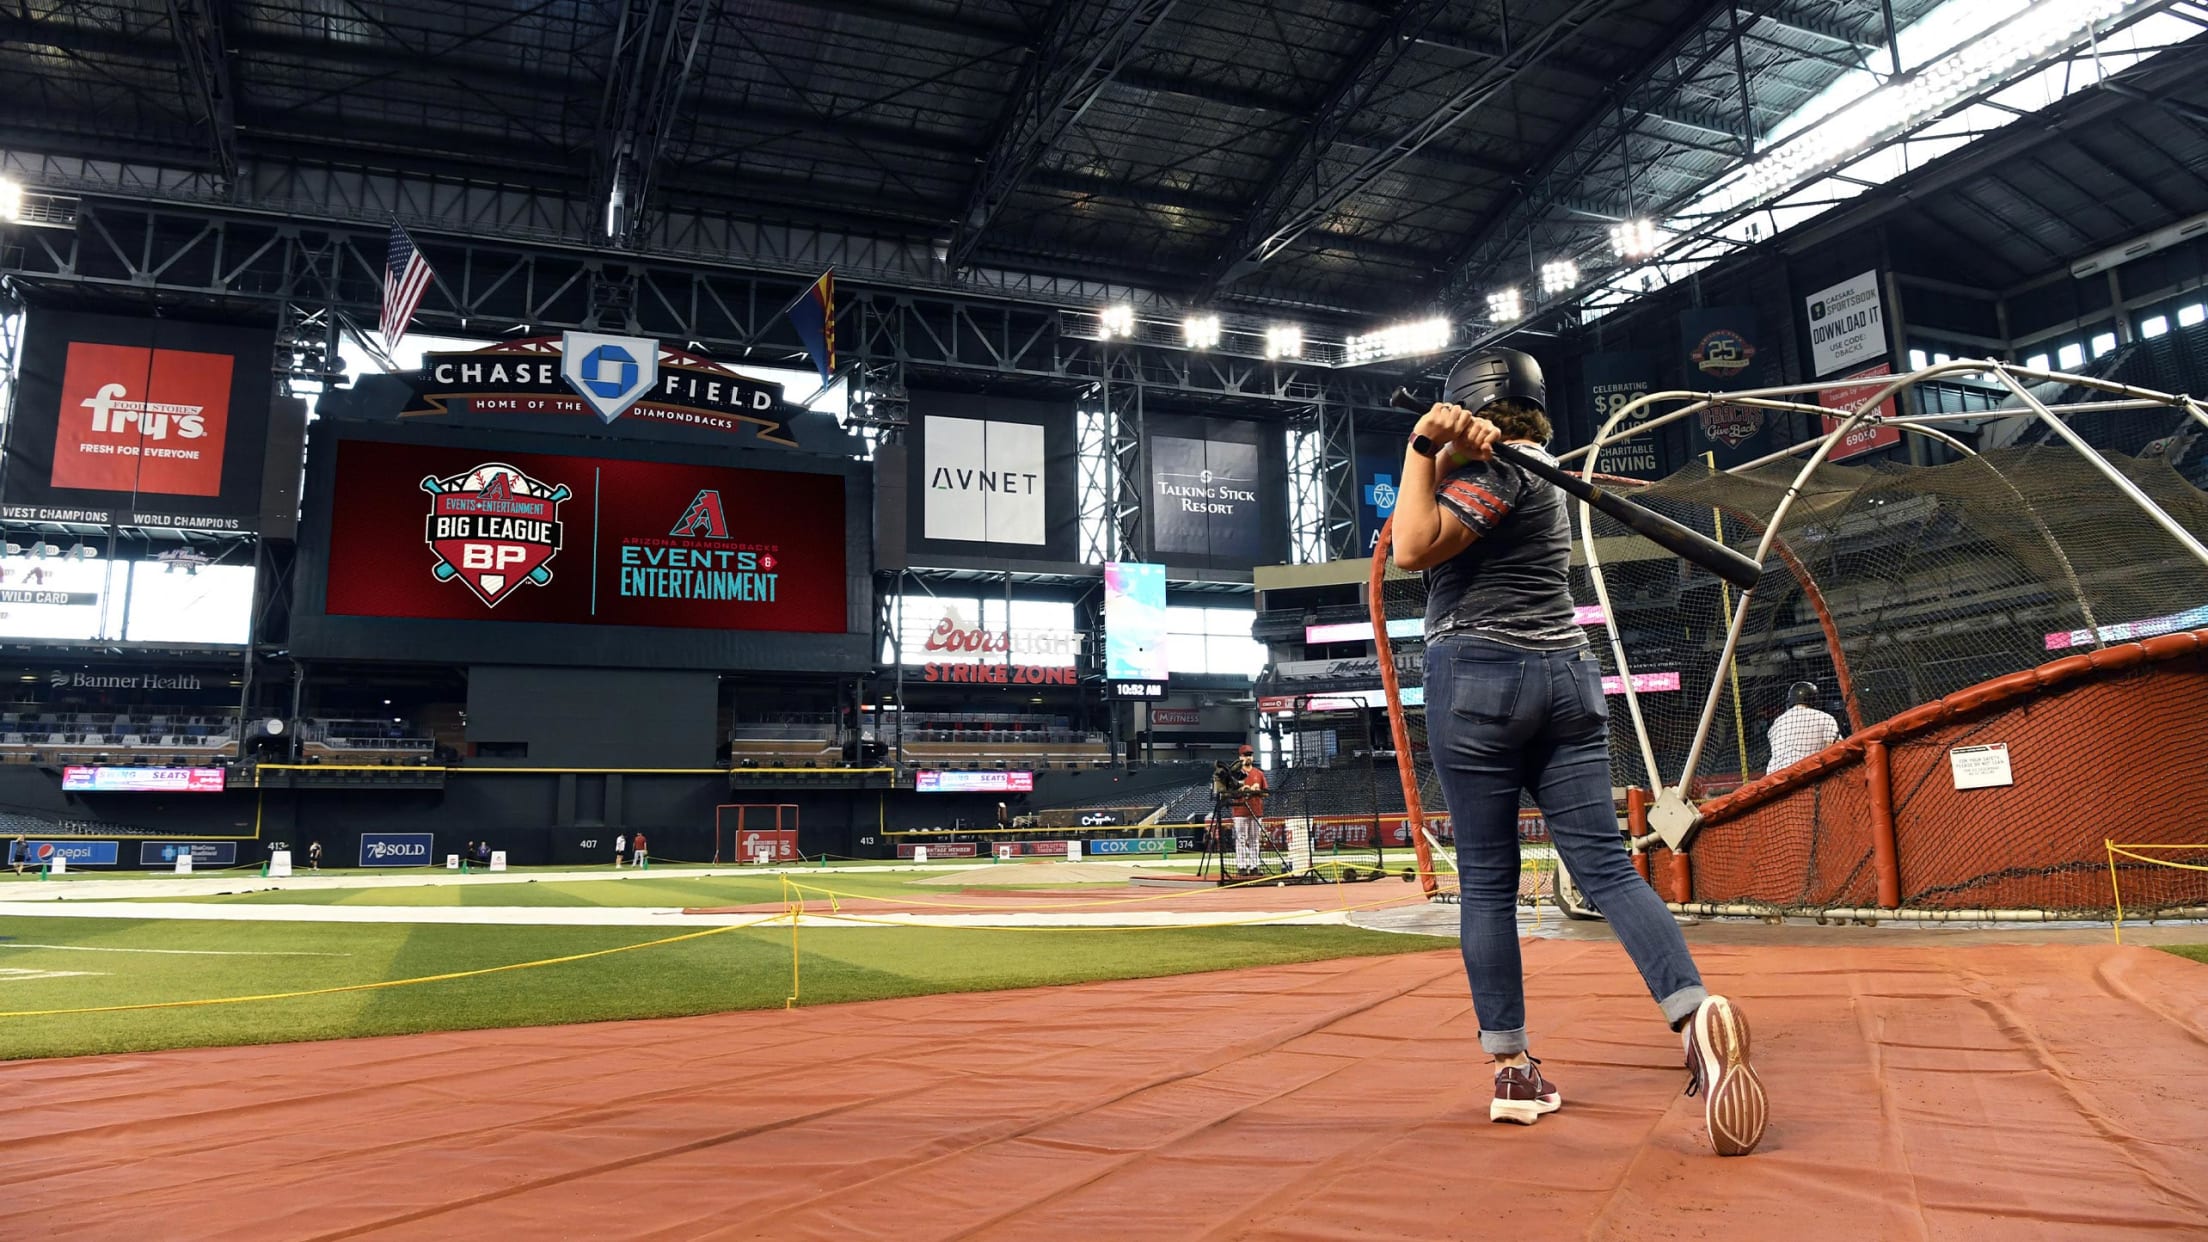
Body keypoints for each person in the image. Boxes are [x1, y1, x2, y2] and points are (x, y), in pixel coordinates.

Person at [1388, 346, 1768, 1156]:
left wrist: (1423, 447)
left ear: (1468, 410)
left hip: (1480, 679)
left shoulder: (1492, 476)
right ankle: (1692, 1012)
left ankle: (1514, 1069)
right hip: (1567, 678)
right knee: (1603, 868)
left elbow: (1413, 546)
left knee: (1488, 882)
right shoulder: (1539, 469)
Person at [1766, 681, 1841, 776]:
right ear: (1814, 699)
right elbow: (1834, 750)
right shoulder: (1824, 717)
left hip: (1774, 779)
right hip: (1805, 777)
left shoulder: (1777, 722)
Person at [1227, 743, 1268, 876]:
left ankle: (1254, 866)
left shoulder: (1259, 773)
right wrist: (1242, 789)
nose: (1248, 757)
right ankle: (1242, 866)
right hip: (1240, 811)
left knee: (1254, 839)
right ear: (1240, 757)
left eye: (1250, 755)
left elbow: (1266, 792)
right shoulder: (1234, 774)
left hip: (1256, 810)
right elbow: (1229, 793)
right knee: (1241, 838)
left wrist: (1258, 790)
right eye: (1245, 755)